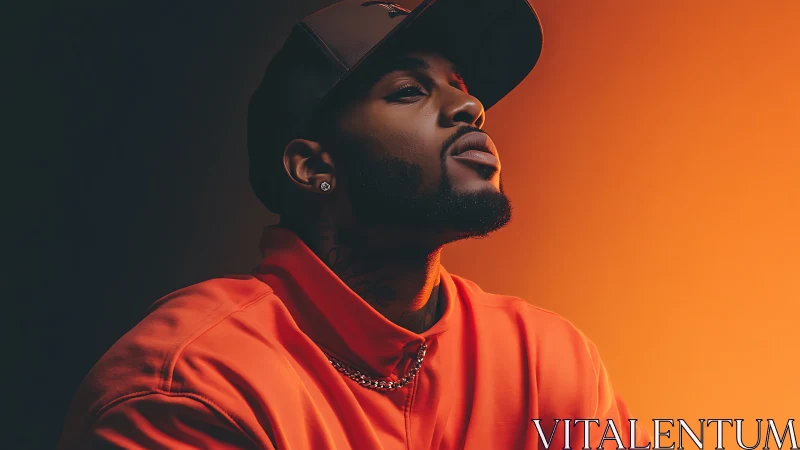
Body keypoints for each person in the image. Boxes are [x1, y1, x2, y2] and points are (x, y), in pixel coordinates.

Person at [59, 0, 653, 448]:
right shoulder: (193, 384)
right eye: (409, 91)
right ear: (315, 165)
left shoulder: (544, 360)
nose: (469, 108)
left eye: (462, 88)